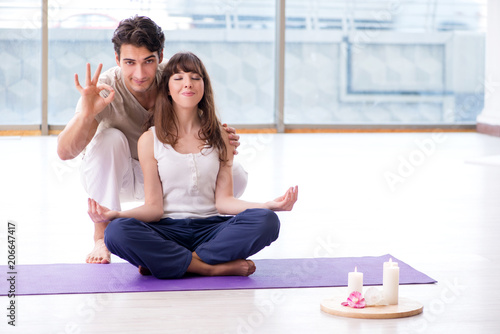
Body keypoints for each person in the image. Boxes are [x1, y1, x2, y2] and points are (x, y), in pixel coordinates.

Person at [86, 51, 298, 278]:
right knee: (117, 233)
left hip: (211, 228)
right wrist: (116, 214)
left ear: (204, 86)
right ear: (167, 88)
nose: (187, 84)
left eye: (195, 78)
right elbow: (154, 208)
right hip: (167, 229)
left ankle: (169, 262)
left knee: (267, 221)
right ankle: (208, 268)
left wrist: (269, 205)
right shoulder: (150, 139)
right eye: (178, 78)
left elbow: (225, 202)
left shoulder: (222, 137)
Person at [56, 16, 247, 265]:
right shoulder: (104, 88)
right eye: (129, 62)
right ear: (117, 60)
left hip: (165, 176)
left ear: (160, 55)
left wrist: (219, 139)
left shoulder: (173, 77)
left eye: (148, 61)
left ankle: (185, 230)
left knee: (238, 175)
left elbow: (198, 124)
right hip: (121, 175)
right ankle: (101, 237)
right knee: (110, 139)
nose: (140, 73)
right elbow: (64, 152)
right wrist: (87, 114)